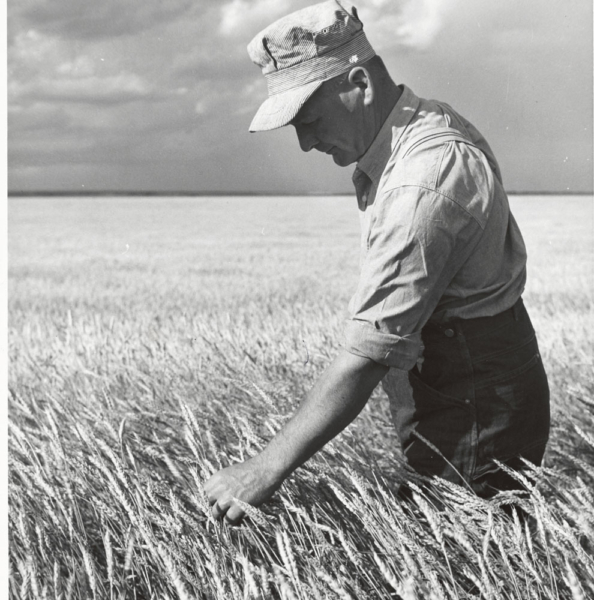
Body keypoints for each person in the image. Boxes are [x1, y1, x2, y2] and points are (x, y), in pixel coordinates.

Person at [204, 0, 550, 524]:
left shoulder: (423, 181)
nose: (305, 143)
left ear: (360, 84)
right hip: (461, 387)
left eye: (309, 119)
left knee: (460, 549)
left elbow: (368, 354)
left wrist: (263, 469)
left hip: (476, 404)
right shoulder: (419, 126)